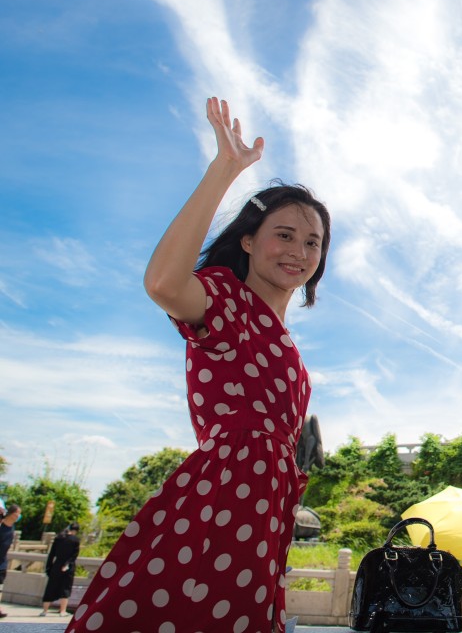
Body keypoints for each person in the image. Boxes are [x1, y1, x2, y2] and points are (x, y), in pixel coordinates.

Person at [67, 97, 332, 633]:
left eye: (313, 242)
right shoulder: (225, 299)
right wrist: (224, 169)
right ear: (249, 240)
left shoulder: (283, 339)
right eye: (284, 235)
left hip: (265, 508)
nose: (299, 251)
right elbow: (164, 284)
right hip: (224, 498)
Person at [41, 522, 80, 617]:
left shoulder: (58, 538)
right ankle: (62, 611)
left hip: (56, 565)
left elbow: (51, 554)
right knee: (65, 588)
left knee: (51, 587)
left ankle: (45, 611)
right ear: (76, 530)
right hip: (68, 567)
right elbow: (74, 556)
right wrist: (67, 564)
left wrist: (48, 567)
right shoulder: (75, 540)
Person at [0, 503, 22, 619]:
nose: (19, 516)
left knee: (0, 585)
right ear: (12, 514)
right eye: (18, 513)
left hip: (2, 562)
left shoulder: (12, 528)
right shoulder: (1, 525)